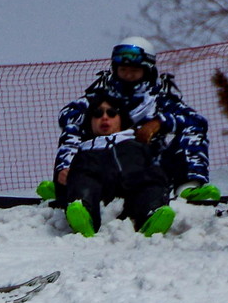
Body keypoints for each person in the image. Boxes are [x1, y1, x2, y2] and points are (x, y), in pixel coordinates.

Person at [47, 37, 218, 204]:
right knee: (73, 129)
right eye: (123, 70)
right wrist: (104, 123)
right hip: (101, 163)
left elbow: (197, 121)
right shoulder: (101, 97)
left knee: (192, 130)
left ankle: (188, 187)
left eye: (134, 71)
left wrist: (160, 123)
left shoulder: (159, 100)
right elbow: (67, 115)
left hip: (149, 166)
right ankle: (66, 182)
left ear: (147, 71)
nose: (128, 75)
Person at [61, 95, 174, 238]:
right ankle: (84, 214)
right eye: (97, 114)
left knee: (153, 177)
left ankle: (152, 215)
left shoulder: (134, 143)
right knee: (81, 178)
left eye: (112, 113)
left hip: (134, 182)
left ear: (121, 119)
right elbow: (69, 176)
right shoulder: (84, 149)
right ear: (90, 121)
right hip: (99, 186)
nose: (104, 118)